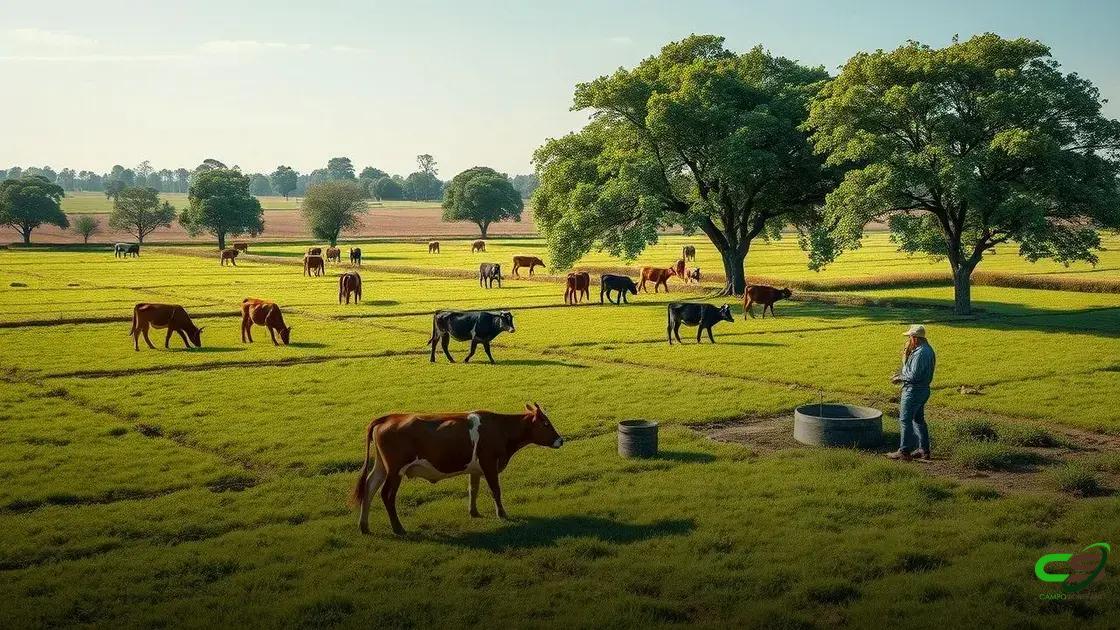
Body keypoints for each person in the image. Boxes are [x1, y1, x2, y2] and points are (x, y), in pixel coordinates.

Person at [888, 324, 936, 461]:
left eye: (909, 337)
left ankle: (904, 451)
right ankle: (923, 450)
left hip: (913, 390)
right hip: (923, 389)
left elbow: (914, 375)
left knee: (905, 420)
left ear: (915, 338)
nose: (908, 339)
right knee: (918, 419)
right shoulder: (926, 350)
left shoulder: (920, 353)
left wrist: (899, 378)